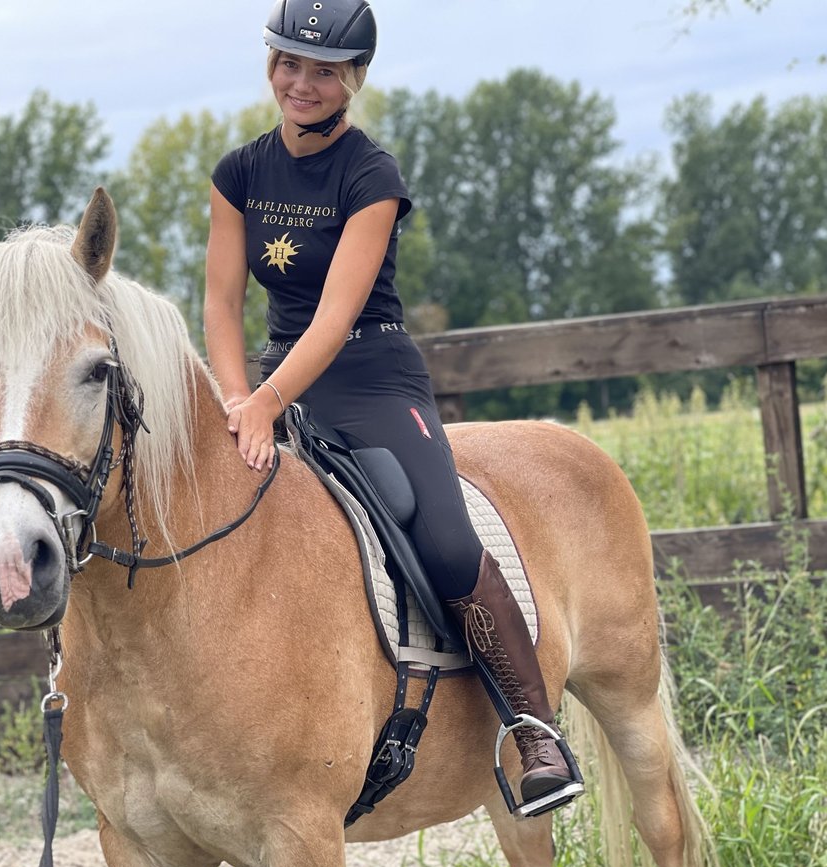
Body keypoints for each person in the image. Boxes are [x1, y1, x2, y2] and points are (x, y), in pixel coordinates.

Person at [203, 0, 578, 808]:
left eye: (324, 72)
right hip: (270, 376)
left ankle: (531, 729)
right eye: (288, 64)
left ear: (354, 80)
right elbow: (220, 302)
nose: (300, 83)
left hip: (371, 372)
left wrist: (267, 400)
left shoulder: (372, 175)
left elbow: (336, 317)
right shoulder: (238, 173)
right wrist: (238, 397)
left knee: (442, 537)